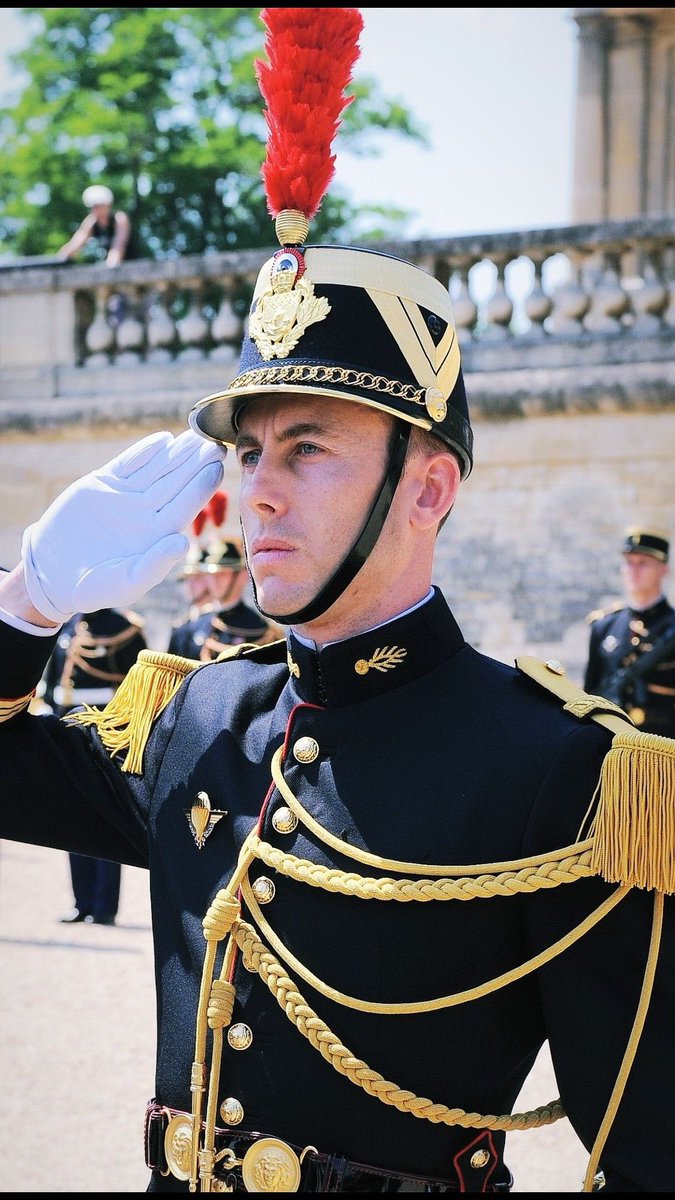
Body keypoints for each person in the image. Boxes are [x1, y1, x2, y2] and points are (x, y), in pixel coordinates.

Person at [0, 8, 674, 1194]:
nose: (256, 492)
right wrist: (24, 605)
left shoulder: (563, 779)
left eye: (307, 449)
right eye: (248, 452)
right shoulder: (202, 721)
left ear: (430, 486)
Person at [38, 606, 148, 925]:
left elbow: (138, 687)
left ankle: (103, 906)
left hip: (106, 733)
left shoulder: (125, 630)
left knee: (105, 820)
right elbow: (52, 683)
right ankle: (82, 901)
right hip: (66, 728)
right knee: (73, 818)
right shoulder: (71, 626)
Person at [583, 526, 675, 735]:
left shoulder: (672, 625)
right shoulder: (604, 625)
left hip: (664, 747)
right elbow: (591, 690)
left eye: (643, 563)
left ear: (663, 569)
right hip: (611, 744)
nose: (633, 570)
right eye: (629, 562)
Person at [167, 536, 284, 659]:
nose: (214, 581)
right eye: (211, 574)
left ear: (242, 575)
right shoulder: (192, 628)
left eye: (222, 574)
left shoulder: (261, 631)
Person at [56, 184, 136, 268]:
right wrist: (57, 261)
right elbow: (74, 245)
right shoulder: (91, 222)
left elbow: (117, 248)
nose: (94, 209)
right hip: (112, 269)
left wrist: (109, 267)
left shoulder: (119, 219)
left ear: (107, 205)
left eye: (98, 206)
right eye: (92, 206)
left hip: (133, 268)